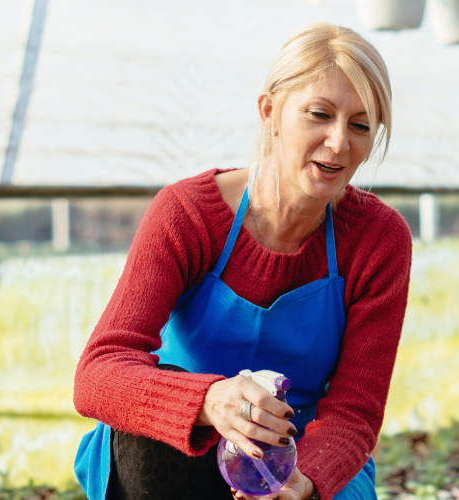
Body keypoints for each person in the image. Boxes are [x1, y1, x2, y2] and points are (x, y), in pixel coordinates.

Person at [72, 22, 413, 500]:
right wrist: (210, 401)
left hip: (302, 459)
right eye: (319, 114)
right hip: (179, 453)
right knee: (150, 433)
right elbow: (98, 373)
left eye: (360, 125)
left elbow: (355, 411)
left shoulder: (379, 240)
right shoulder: (187, 214)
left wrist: (305, 481)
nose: (339, 143)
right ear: (270, 111)